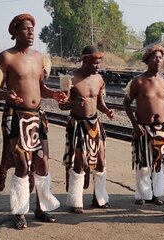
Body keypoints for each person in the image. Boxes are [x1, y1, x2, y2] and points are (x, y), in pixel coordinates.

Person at [0, 13, 67, 230]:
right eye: (25, 28)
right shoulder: (6, 57)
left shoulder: (38, 58)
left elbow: (40, 87)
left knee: (42, 163)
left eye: (32, 29)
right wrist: (7, 96)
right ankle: (19, 211)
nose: (31, 32)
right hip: (15, 117)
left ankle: (41, 208)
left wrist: (54, 95)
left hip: (37, 117)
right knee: (22, 165)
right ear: (15, 32)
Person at [59, 46, 113, 214]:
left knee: (101, 161)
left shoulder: (99, 79)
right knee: (79, 163)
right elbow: (61, 105)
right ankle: (76, 200)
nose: (99, 66)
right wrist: (74, 103)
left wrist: (107, 111)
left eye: (99, 63)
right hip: (78, 125)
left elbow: (99, 102)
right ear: (86, 60)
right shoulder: (70, 78)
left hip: (95, 124)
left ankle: (99, 198)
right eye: (96, 63)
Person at [123, 45, 164, 205]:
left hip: (162, 129)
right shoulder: (138, 81)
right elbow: (126, 104)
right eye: (154, 57)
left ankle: (155, 194)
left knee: (159, 162)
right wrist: (134, 125)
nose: (158, 60)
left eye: (160, 57)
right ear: (147, 60)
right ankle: (142, 195)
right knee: (143, 162)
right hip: (143, 129)